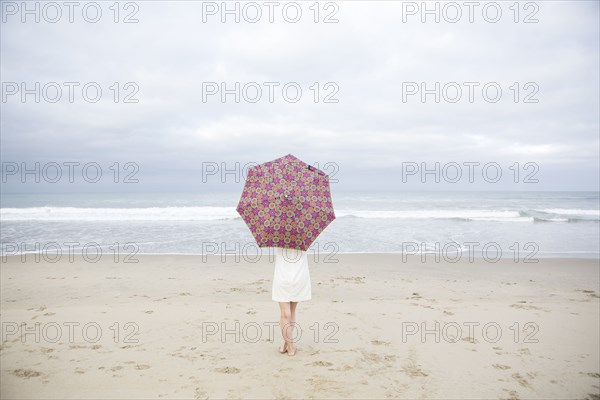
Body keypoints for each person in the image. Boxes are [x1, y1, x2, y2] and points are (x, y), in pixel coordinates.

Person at [272, 246, 311, 357]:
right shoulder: (304, 235)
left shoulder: (278, 235)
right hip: (297, 277)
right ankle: (287, 344)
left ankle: (289, 346)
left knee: (286, 314)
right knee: (290, 313)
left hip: (286, 278)